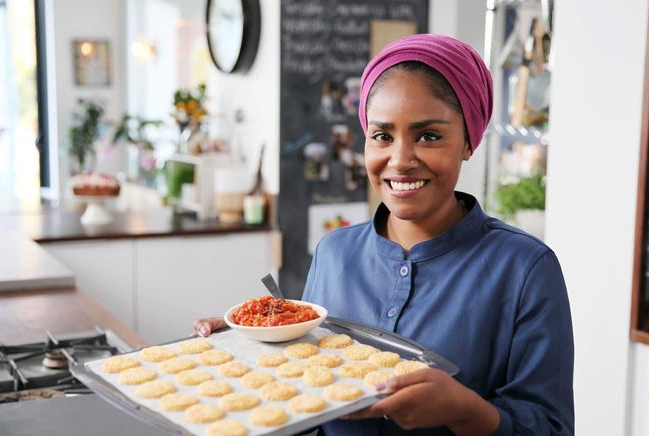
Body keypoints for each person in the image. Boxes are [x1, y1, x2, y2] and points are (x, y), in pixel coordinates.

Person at [195, 34, 574, 435]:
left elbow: (551, 428)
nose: (400, 160)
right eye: (382, 136)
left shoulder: (525, 269)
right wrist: (253, 345)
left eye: (428, 135)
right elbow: (304, 391)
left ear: (468, 141)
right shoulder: (334, 251)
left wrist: (463, 409)